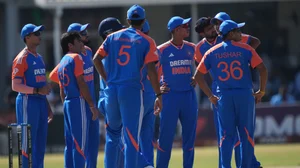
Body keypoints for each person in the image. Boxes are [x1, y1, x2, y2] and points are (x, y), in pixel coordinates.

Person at [93, 4, 162, 168]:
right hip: (131, 90)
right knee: (131, 138)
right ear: (143, 20)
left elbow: (96, 59)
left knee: (112, 137)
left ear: (128, 20)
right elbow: (152, 71)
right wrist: (159, 95)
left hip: (111, 91)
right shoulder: (147, 41)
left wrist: (107, 79)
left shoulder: (111, 37)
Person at [194, 20, 268, 168]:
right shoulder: (246, 49)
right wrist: (262, 91)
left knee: (226, 136)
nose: (241, 34)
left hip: (223, 98)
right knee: (246, 134)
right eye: (238, 31)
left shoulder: (211, 51)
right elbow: (263, 69)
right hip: (244, 96)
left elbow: (197, 76)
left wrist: (210, 95)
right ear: (231, 33)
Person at [50, 32, 99, 168]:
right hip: (79, 101)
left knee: (73, 143)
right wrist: (91, 105)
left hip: (68, 102)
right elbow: (81, 82)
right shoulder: (76, 57)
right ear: (70, 45)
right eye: (78, 41)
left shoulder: (64, 59)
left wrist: (65, 100)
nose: (82, 42)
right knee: (80, 145)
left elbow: (61, 86)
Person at [156, 16, 198, 168]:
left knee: (189, 139)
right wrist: (158, 89)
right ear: (176, 30)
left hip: (188, 96)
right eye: (184, 26)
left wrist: (197, 76)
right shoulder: (161, 50)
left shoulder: (192, 47)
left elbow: (204, 63)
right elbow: (149, 72)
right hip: (169, 97)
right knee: (166, 138)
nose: (188, 28)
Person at [11, 23, 53, 168]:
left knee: (40, 144)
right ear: (27, 37)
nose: (39, 36)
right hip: (27, 101)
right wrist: (36, 91)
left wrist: (47, 105)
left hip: (40, 102)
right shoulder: (22, 58)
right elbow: (15, 86)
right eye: (36, 34)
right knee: (27, 143)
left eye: (39, 33)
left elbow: (42, 84)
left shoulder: (39, 57)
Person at [67, 23, 99, 168]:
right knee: (76, 143)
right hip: (78, 103)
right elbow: (57, 77)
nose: (86, 33)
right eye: (82, 32)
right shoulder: (70, 57)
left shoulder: (88, 51)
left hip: (91, 101)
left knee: (93, 141)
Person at [96, 17, 126, 168]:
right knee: (117, 138)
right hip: (111, 97)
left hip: (108, 96)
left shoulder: (109, 50)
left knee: (118, 139)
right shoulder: (110, 52)